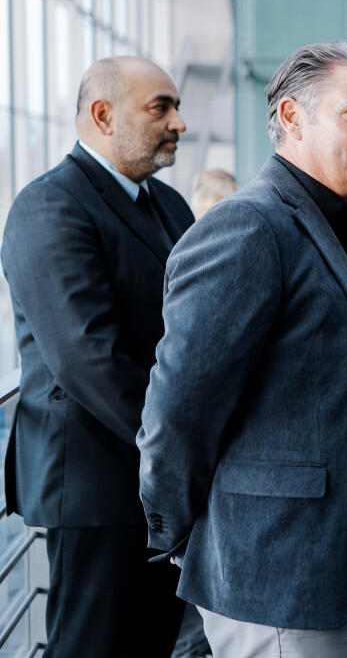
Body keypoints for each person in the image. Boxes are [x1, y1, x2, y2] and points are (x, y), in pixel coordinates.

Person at [138, 41, 347, 656]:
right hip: (278, 566)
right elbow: (179, 408)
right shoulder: (248, 226)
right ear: (292, 118)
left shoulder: (332, 223)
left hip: (341, 551)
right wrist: (175, 530)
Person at [0, 57, 192, 658]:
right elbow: (88, 360)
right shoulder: (49, 206)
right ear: (102, 115)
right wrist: (184, 444)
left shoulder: (168, 205)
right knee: (93, 647)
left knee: (152, 640)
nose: (179, 122)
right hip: (95, 482)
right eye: (160, 106)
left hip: (153, 476)